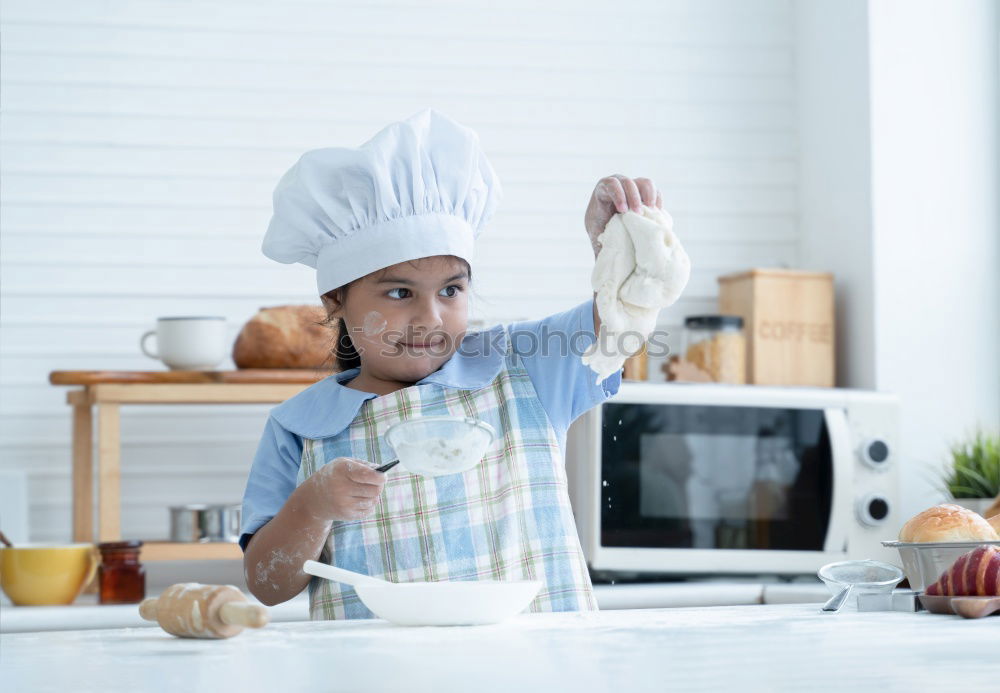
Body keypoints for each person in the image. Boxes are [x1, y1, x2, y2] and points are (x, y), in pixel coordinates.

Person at [240, 109, 666, 619]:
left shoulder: (521, 368)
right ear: (335, 302)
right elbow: (267, 585)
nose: (431, 317)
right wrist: (312, 507)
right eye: (399, 292)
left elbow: (621, 322)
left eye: (451, 290)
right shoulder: (299, 427)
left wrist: (614, 246)